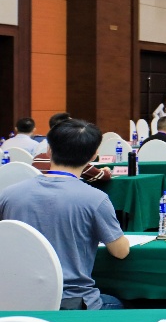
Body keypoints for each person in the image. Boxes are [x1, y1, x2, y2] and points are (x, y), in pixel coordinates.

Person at [0, 118, 130, 309]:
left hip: (15, 299)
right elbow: (120, 252)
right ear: (93, 156)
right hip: (72, 301)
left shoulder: (9, 194)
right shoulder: (95, 199)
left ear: (49, 150)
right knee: (124, 302)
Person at [33, 113, 112, 186]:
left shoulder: (38, 158)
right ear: (94, 154)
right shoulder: (77, 158)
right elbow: (102, 177)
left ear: (49, 150)